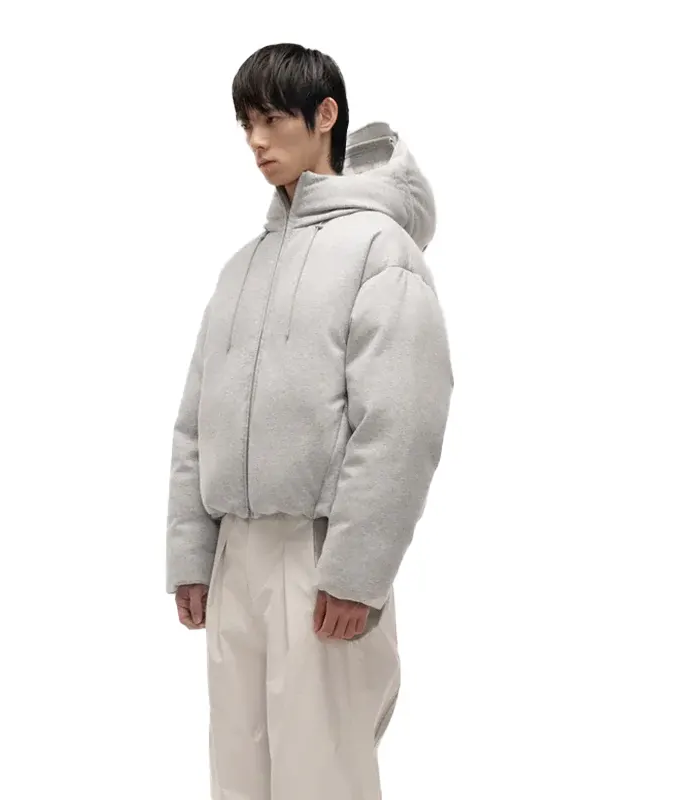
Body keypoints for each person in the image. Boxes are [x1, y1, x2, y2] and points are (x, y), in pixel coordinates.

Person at [165, 42, 454, 800]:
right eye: (245, 124)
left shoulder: (381, 250)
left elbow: (400, 424)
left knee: (320, 771)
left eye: (271, 119)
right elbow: (195, 422)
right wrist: (193, 554)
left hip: (318, 553)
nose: (256, 141)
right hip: (235, 559)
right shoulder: (242, 267)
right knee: (238, 769)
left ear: (325, 115)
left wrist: (358, 572)